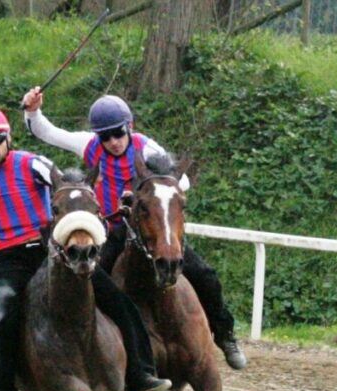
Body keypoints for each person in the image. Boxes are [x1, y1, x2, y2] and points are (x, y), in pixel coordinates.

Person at [0, 106, 171, 391]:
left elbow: (70, 189)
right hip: (9, 260)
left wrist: (80, 223)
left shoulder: (32, 163)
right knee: (0, 324)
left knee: (117, 300)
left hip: (50, 249)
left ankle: (140, 375)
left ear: (8, 137)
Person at [22, 89, 247, 370]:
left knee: (206, 276)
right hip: (113, 232)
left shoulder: (149, 149)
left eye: (118, 133)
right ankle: (96, 353)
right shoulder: (88, 145)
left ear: (130, 127)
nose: (113, 142)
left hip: (151, 230)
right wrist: (32, 111)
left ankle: (224, 335)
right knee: (91, 283)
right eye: (106, 137)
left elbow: (182, 182)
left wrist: (145, 193)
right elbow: (47, 132)